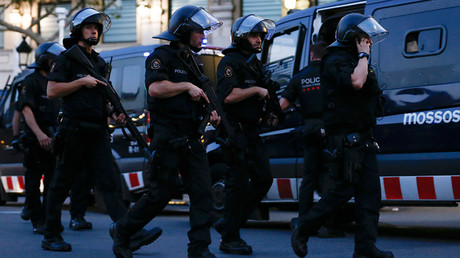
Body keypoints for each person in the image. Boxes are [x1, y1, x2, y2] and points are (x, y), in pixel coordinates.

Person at [42, 7, 161, 252]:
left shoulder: (98, 61)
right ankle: (51, 235)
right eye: (89, 26)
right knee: (61, 184)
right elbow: (52, 91)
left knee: (110, 182)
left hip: (97, 131)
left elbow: (101, 98)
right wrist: (80, 82)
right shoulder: (67, 58)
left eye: (97, 27)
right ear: (77, 30)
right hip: (74, 130)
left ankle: (128, 231)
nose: (94, 30)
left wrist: (114, 113)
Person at [111, 6, 222, 258]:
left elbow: (199, 96)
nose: (203, 36)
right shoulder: (161, 56)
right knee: (160, 195)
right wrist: (185, 86)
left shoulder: (192, 61)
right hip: (168, 138)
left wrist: (211, 113)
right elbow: (156, 89)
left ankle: (199, 249)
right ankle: (123, 233)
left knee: (203, 194)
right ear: (183, 30)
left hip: (192, 138)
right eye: (198, 32)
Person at [290, 13, 393, 258]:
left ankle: (365, 248)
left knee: (370, 197)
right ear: (352, 37)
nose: (368, 41)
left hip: (364, 139)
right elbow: (356, 82)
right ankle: (303, 228)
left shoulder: (354, 59)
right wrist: (363, 55)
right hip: (346, 141)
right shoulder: (335, 59)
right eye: (364, 37)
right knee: (339, 194)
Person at [214, 14, 278, 255]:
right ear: (241, 37)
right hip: (235, 132)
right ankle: (229, 238)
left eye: (261, 35)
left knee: (264, 179)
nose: (259, 39)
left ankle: (228, 224)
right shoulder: (229, 62)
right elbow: (228, 97)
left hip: (252, 130)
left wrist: (270, 111)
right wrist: (256, 90)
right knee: (237, 185)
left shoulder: (254, 62)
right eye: (254, 35)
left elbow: (263, 94)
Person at [280, 42, 346, 238]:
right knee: (330, 176)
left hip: (310, 128)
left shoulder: (300, 76)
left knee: (309, 179)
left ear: (311, 54)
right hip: (331, 129)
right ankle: (327, 224)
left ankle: (303, 222)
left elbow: (282, 104)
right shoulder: (331, 74)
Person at [15, 42, 65, 233]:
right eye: (53, 60)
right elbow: (26, 110)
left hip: (54, 137)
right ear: (44, 60)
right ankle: (36, 218)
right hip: (36, 139)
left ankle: (50, 218)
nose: (55, 64)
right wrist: (39, 135)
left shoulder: (55, 82)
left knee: (54, 181)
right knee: (34, 181)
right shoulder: (31, 82)